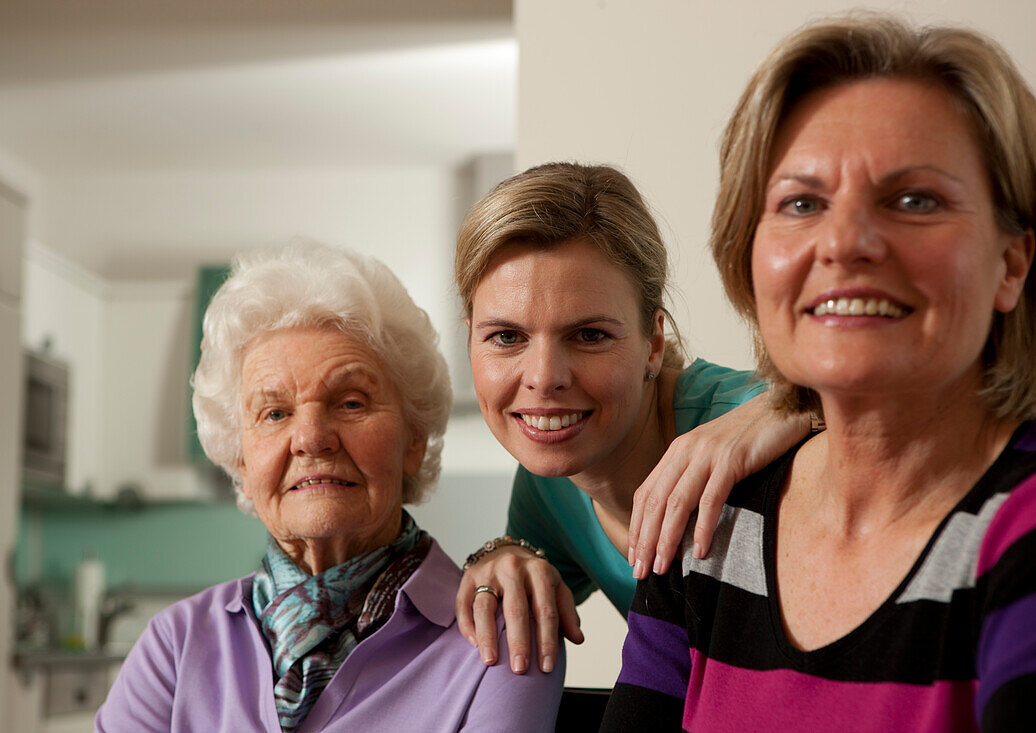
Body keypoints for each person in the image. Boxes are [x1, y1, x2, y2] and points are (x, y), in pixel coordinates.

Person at [602, 14, 1036, 730]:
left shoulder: (1017, 531)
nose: (845, 242)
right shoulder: (711, 519)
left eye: (915, 200)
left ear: (1011, 264)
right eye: (802, 203)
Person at [96, 243, 563, 732]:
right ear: (241, 459)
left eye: (352, 403)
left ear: (413, 440)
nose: (312, 438)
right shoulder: (175, 645)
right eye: (274, 413)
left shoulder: (501, 633)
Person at [454, 162, 813, 674]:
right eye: (507, 337)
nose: (543, 378)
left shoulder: (753, 423)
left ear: (654, 343)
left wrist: (799, 403)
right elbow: (526, 563)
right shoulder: (549, 485)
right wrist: (499, 559)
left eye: (589, 335)